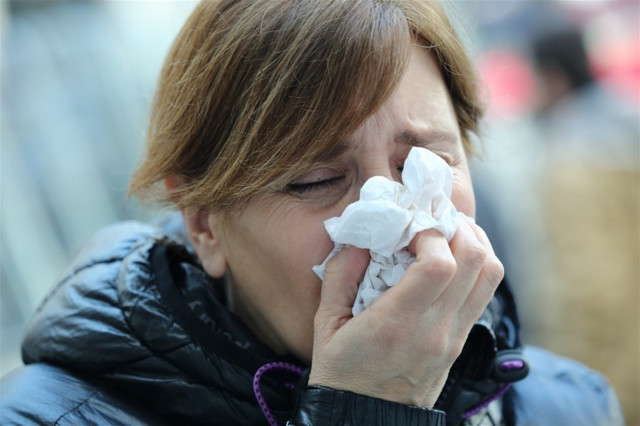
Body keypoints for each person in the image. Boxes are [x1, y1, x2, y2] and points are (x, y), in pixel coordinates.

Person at [0, 1, 623, 425]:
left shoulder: (565, 404)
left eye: (426, 164)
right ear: (203, 222)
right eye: (317, 180)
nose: (400, 225)